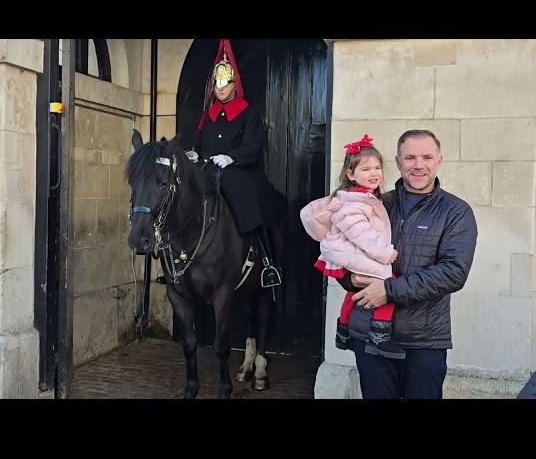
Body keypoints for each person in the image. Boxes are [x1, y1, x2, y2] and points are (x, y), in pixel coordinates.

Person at [335, 130, 477, 399]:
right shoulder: (375, 204)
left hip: (423, 341)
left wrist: (389, 291)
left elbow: (453, 272)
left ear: (439, 161)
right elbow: (341, 252)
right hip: (370, 338)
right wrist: (348, 279)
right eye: (410, 157)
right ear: (398, 162)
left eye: (426, 157)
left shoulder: (456, 212)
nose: (418, 165)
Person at [185, 39, 286, 287]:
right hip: (208, 169)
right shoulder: (207, 115)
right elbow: (199, 144)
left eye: (225, 83)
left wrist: (232, 158)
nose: (220, 88)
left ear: (233, 84)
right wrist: (194, 155)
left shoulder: (248, 113)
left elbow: (253, 146)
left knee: (241, 191)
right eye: (217, 83)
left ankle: (265, 258)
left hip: (238, 170)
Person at [300, 134, 403, 360]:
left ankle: (343, 329)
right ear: (350, 174)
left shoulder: (364, 197)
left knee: (354, 292)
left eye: (377, 167)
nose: (374, 173)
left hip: (349, 254)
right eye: (366, 169)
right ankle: (380, 333)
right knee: (389, 284)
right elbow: (361, 234)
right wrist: (385, 254)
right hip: (352, 253)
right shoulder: (354, 202)